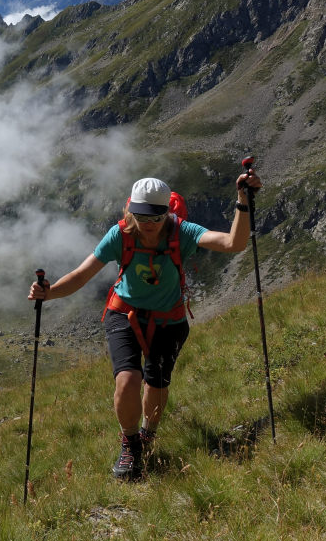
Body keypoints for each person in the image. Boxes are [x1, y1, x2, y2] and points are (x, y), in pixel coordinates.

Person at [28, 170, 263, 480]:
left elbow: (234, 243)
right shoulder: (120, 234)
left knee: (156, 385)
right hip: (124, 314)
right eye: (141, 215)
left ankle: (148, 434)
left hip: (170, 321)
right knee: (127, 380)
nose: (149, 224)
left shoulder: (183, 231)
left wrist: (243, 201)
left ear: (167, 212)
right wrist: (49, 292)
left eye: (156, 216)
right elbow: (83, 274)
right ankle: (131, 443)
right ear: (131, 210)